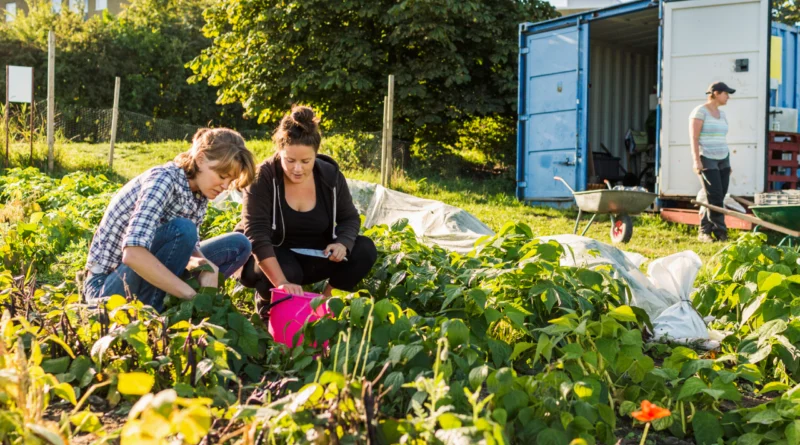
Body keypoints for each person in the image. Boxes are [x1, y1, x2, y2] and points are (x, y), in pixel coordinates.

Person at [83, 128, 257, 311]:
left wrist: (205, 265)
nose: (225, 186)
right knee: (183, 229)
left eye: (230, 180)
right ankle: (160, 313)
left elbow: (188, 247)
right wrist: (189, 294)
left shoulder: (199, 192)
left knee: (239, 245)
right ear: (200, 159)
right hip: (107, 288)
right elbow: (132, 254)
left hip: (146, 275)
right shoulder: (163, 180)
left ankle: (181, 308)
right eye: (222, 176)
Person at [237, 105, 377, 320]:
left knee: (364, 249)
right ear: (279, 152)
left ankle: (323, 308)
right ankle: (268, 303)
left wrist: (342, 243)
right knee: (289, 274)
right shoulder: (263, 177)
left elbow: (349, 218)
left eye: (306, 161)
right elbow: (256, 235)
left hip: (313, 254)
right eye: (290, 161)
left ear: (316, 155)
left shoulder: (329, 176)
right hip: (271, 255)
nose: (298, 169)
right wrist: (282, 283)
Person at [690, 81, 735, 243]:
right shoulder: (700, 112)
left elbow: (722, 138)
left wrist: (728, 162)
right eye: (726, 93)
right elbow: (694, 138)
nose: (728, 97)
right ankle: (721, 233)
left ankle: (705, 231)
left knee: (717, 197)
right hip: (707, 158)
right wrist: (696, 161)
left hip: (723, 158)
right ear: (716, 93)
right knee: (715, 196)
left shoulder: (722, 115)